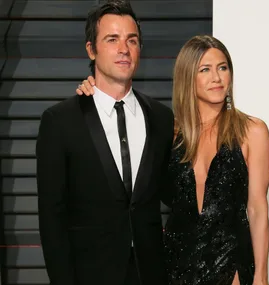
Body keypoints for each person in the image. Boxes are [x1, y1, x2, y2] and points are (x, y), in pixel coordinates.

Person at [77, 35, 269, 285]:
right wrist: (94, 91)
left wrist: (261, 276)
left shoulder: (252, 131)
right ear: (188, 78)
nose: (217, 78)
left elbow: (257, 209)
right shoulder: (168, 133)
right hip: (175, 264)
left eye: (223, 68)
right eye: (205, 70)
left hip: (231, 262)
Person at [36, 1, 173, 285]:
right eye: (112, 39)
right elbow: (52, 219)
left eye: (131, 40)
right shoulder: (60, 121)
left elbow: (173, 194)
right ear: (91, 49)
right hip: (89, 275)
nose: (124, 48)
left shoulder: (161, 118)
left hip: (152, 274)